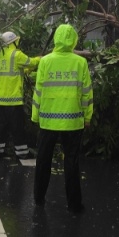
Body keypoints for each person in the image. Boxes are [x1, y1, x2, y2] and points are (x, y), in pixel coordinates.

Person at [31, 24, 92, 213]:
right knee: (71, 162)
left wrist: (35, 115)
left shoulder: (46, 61)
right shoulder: (80, 62)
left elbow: (38, 90)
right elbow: (86, 92)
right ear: (73, 39)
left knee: (43, 160)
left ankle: (39, 198)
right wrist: (87, 117)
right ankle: (74, 205)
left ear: (56, 39)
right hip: (73, 121)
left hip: (48, 120)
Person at [0, 31, 41, 159]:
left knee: (1, 128)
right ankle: (22, 153)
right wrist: (40, 58)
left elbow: (16, 70)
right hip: (13, 100)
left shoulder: (0, 55)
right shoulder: (17, 54)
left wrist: (27, 69)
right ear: (14, 41)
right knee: (18, 128)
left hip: (0, 100)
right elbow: (32, 62)